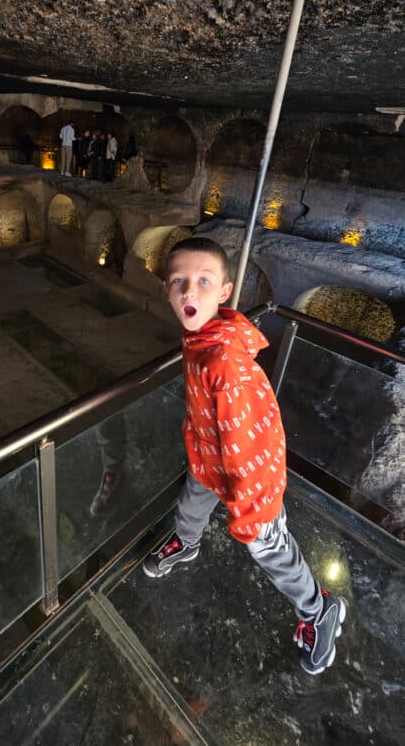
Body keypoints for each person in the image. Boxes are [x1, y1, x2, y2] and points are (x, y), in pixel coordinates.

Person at [143, 237, 346, 675]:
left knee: (268, 547)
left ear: (223, 290)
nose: (189, 292)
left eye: (203, 281)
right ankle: (188, 543)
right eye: (179, 281)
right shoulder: (201, 336)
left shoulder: (222, 362)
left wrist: (250, 508)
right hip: (212, 455)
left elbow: (249, 440)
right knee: (193, 502)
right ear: (165, 289)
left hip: (249, 474)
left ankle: (318, 608)